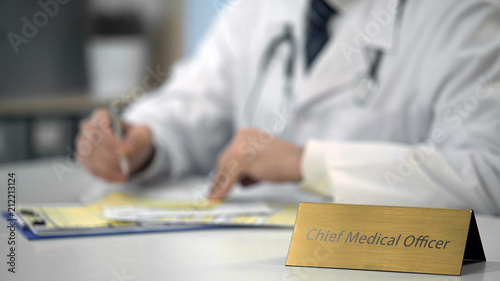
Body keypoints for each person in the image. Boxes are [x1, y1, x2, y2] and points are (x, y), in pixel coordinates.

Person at [77, 0, 500, 214]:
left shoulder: (463, 17)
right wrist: (143, 141)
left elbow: (487, 174)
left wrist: (310, 163)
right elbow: (196, 98)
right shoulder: (258, 8)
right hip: (249, 257)